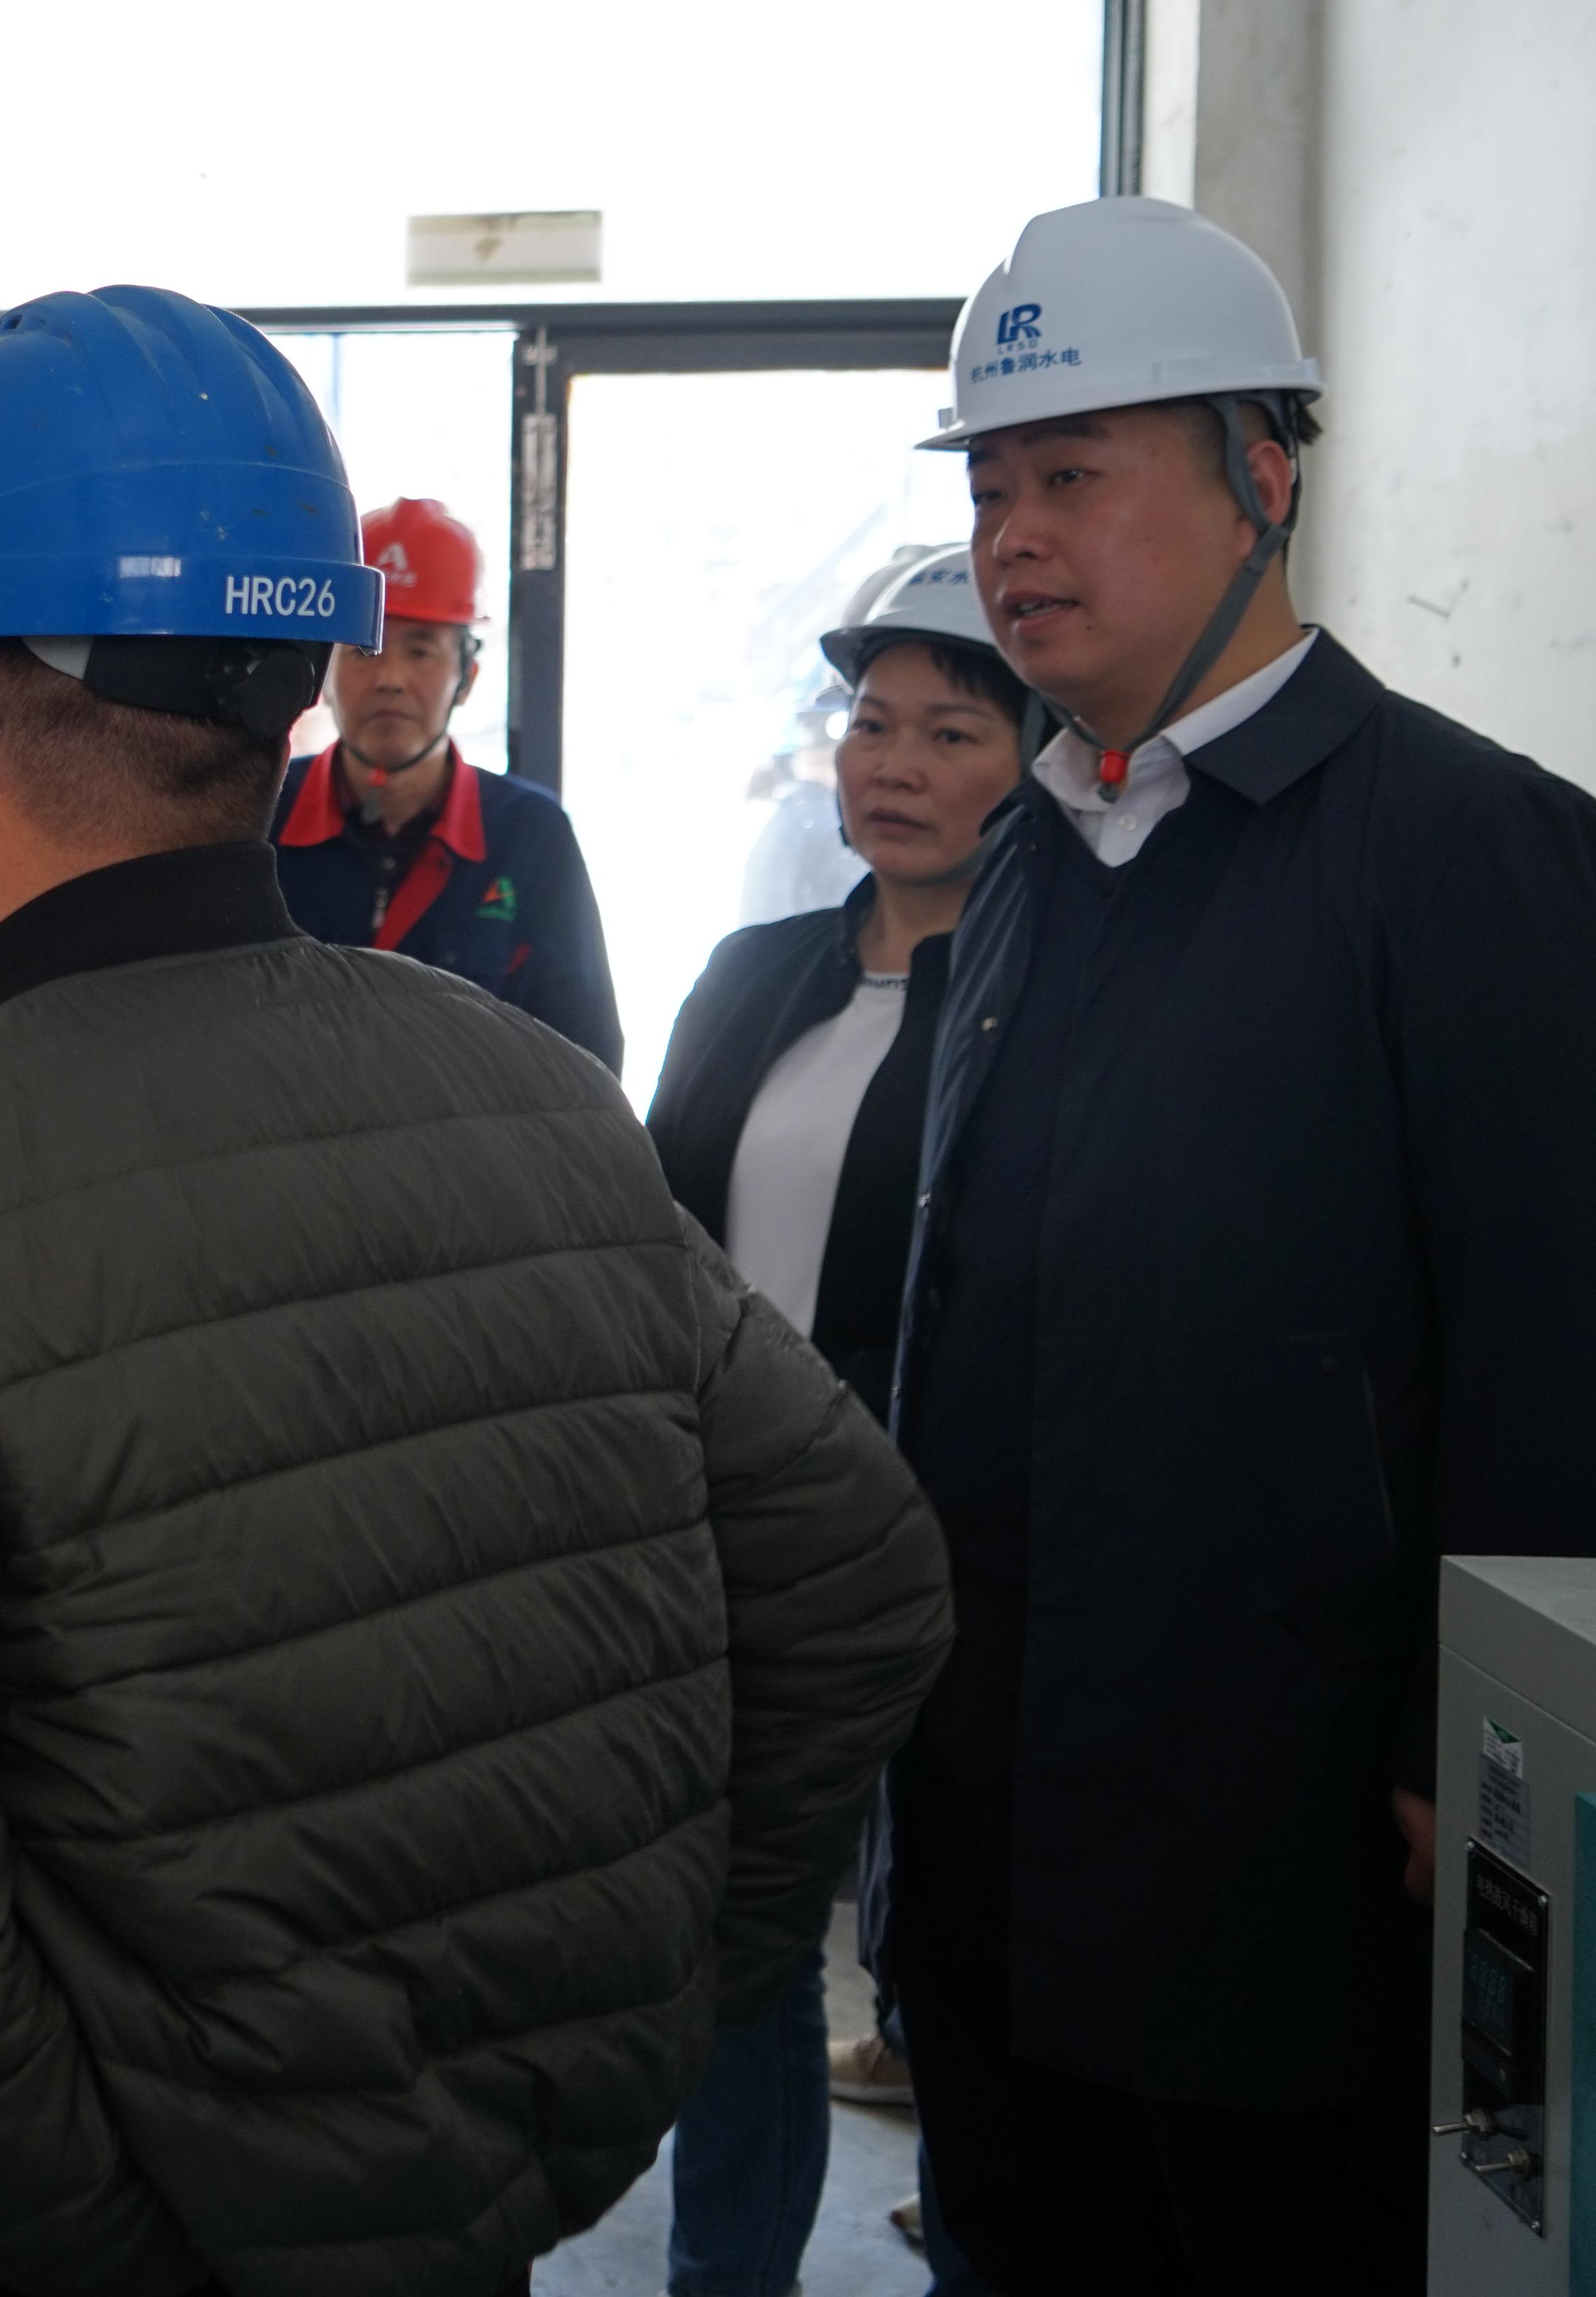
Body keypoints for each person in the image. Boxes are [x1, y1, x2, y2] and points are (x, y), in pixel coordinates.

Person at [0, 286, 953, 2297]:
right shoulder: (533, 1096)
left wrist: (101, 2235)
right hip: (482, 2214)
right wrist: (654, 2002)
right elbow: (862, 1577)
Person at [884, 196, 1596, 2296]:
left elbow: (1553, 1327)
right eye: (990, 486)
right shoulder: (1036, 850)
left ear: (1261, 479)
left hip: (1297, 1857)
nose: (1014, 538)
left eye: (1072, 475)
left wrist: (1476, 1758)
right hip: (1000, 1826)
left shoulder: (1462, 845)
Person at [644, 541, 1030, 2297]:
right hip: (731, 1534)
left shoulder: (1051, 995)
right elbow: (656, 1227)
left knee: (951, 1951)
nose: (896, 763)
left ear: (1034, 764)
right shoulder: (755, 968)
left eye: (953, 731)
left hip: (948, 1551)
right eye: (874, 722)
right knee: (740, 1947)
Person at [270, 497, 626, 1071]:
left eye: (420, 650)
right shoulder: (261, 813)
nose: (390, 679)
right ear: (325, 671)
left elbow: (588, 1062)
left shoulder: (530, 836)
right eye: (364, 649)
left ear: (467, 677)